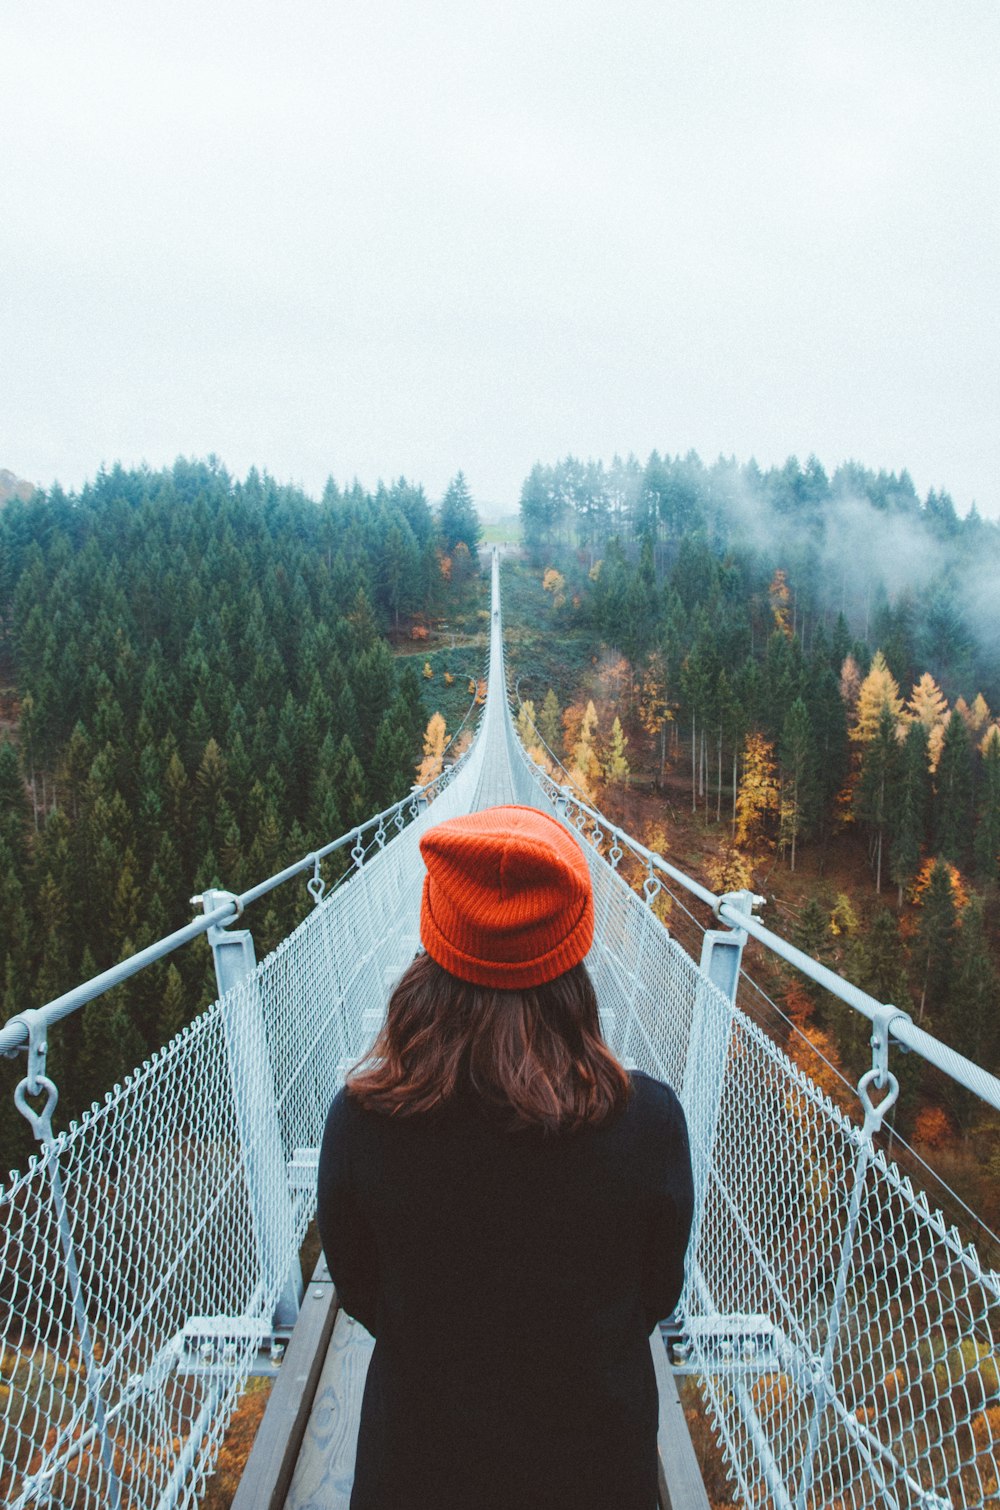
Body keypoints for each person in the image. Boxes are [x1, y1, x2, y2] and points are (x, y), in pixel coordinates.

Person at [317, 803, 694, 1510]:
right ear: (573, 952)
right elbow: (657, 1294)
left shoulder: (360, 1126)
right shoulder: (649, 1124)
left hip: (417, 1471)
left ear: (433, 942)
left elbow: (362, 1291)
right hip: (595, 1473)